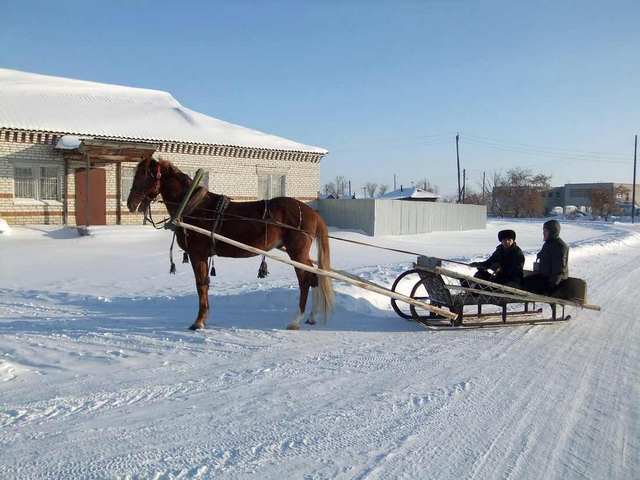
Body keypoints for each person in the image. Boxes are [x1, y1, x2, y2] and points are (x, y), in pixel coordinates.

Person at [522, 219, 569, 295]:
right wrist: (540, 255)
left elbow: (559, 271)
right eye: (543, 230)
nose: (543, 233)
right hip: (545, 277)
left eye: (546, 231)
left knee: (528, 285)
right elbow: (547, 254)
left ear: (553, 232)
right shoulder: (548, 243)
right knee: (524, 281)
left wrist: (551, 287)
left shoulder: (560, 247)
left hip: (556, 282)